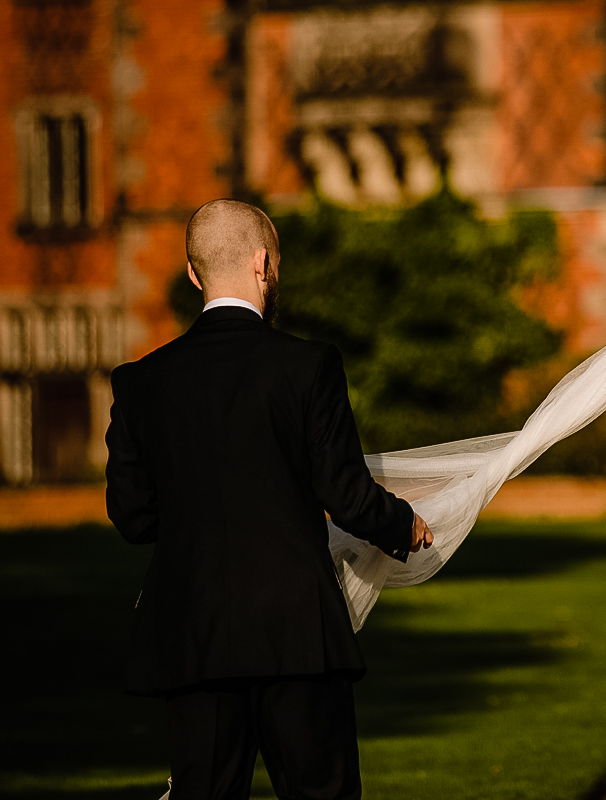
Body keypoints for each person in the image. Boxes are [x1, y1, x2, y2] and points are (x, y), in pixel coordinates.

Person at [105, 198, 433, 800]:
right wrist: (403, 523)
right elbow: (346, 494)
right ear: (264, 265)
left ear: (193, 274)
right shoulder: (307, 366)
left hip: (193, 636)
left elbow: (132, 516)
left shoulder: (139, 382)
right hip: (296, 636)